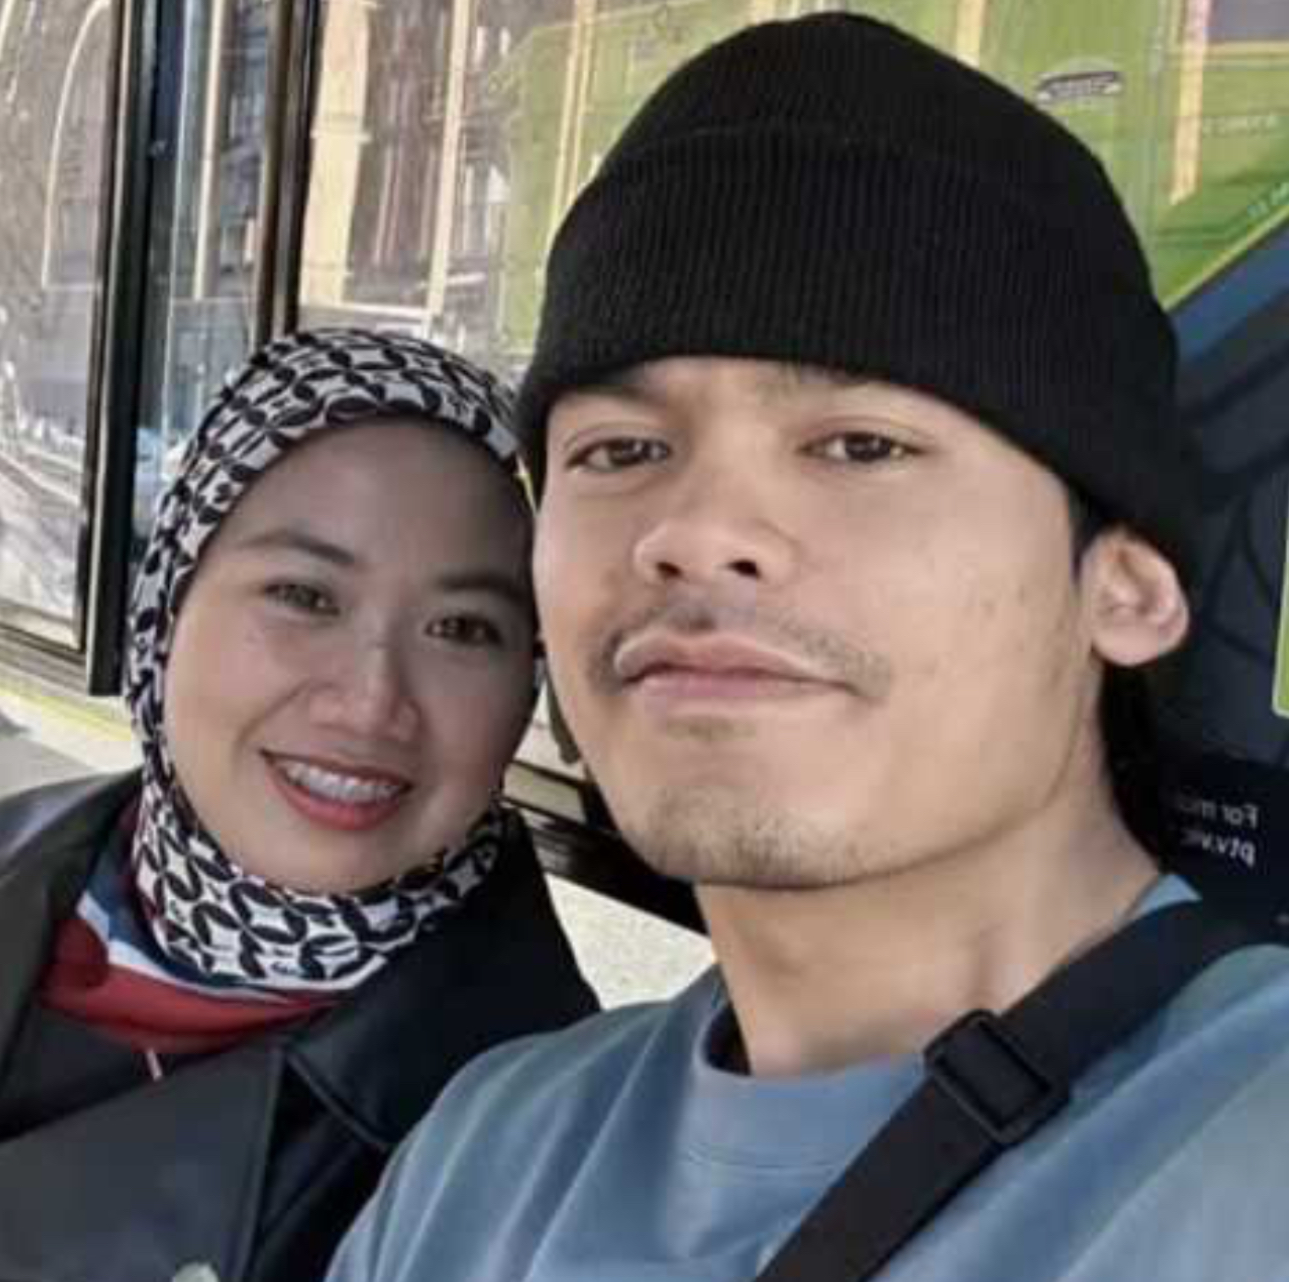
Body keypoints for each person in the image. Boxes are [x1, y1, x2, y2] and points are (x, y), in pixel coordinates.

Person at [325, 16, 1289, 1282]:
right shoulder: (483, 1160)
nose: (693, 531)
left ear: (1126, 589)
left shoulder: (1247, 1162)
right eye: (621, 450)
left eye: (859, 444)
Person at [0, 327, 596, 1282]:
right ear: (167, 603)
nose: (370, 701)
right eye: (305, 596)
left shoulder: (550, 1157)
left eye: (461, 627)